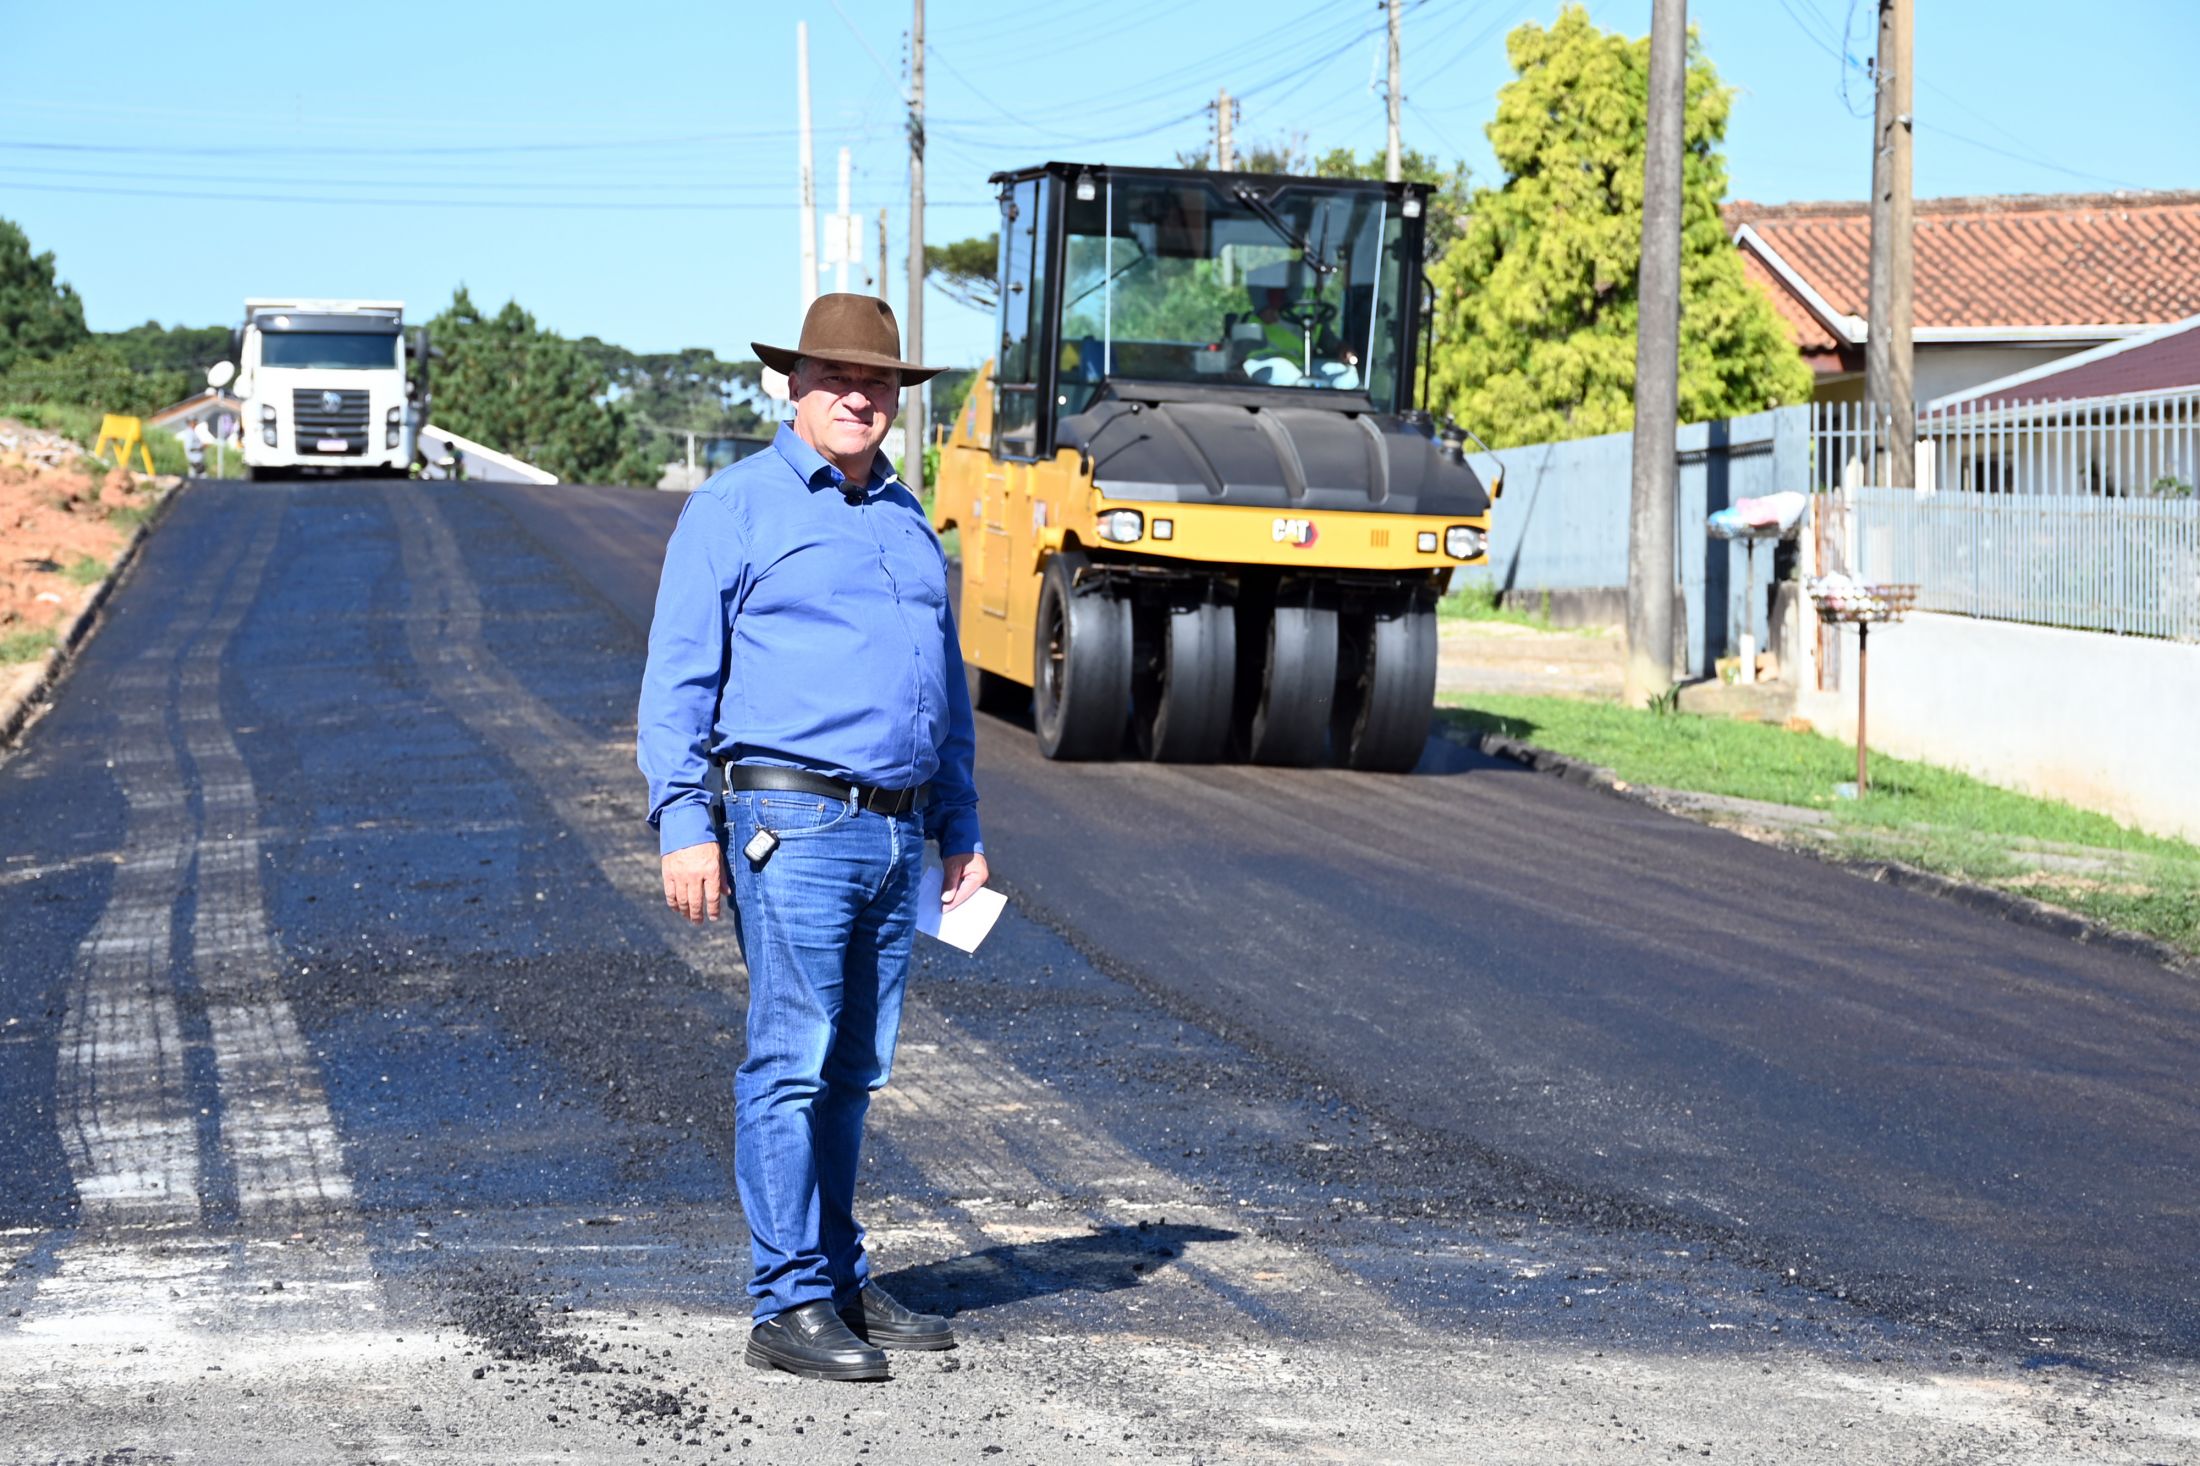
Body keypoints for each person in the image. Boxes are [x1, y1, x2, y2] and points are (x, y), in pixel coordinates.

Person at [637, 293, 989, 1383]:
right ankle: (786, 1301)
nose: (857, 395)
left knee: (854, 1069)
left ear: (897, 397)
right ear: (792, 386)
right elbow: (677, 677)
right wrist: (683, 823)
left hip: (896, 830)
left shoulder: (906, 515)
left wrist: (960, 822)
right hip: (788, 823)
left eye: (876, 380)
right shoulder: (734, 506)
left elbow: (943, 688)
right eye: (835, 376)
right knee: (791, 1060)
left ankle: (837, 1277)